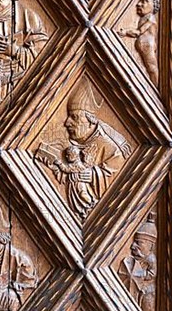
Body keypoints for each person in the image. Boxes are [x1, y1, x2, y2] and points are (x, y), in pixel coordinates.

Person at [36, 77, 131, 218]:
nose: (67, 123)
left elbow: (122, 181)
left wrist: (93, 175)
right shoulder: (73, 142)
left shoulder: (110, 148)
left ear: (90, 121)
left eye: (74, 117)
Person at [118, 212, 157, 311]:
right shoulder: (138, 257)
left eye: (139, 243)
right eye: (134, 242)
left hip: (144, 287)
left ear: (150, 245)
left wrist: (142, 274)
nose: (133, 246)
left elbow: (152, 274)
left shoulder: (151, 259)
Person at [118, 0, 160, 86]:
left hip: (147, 47)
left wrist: (126, 31)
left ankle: (155, 89)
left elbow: (139, 32)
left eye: (144, 1)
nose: (139, 4)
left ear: (153, 5)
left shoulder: (150, 19)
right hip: (143, 46)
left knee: (152, 69)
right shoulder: (145, 18)